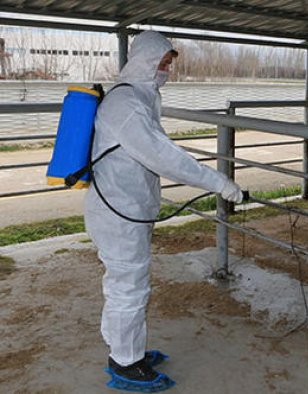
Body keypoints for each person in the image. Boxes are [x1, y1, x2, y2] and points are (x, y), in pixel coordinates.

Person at [84, 30, 242, 392]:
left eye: (169, 64)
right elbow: (164, 156)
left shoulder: (139, 98)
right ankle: (126, 363)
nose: (167, 70)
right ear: (144, 60)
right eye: (163, 63)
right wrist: (220, 183)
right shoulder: (126, 106)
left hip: (126, 209)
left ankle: (126, 350)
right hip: (118, 213)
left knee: (125, 285)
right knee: (129, 288)